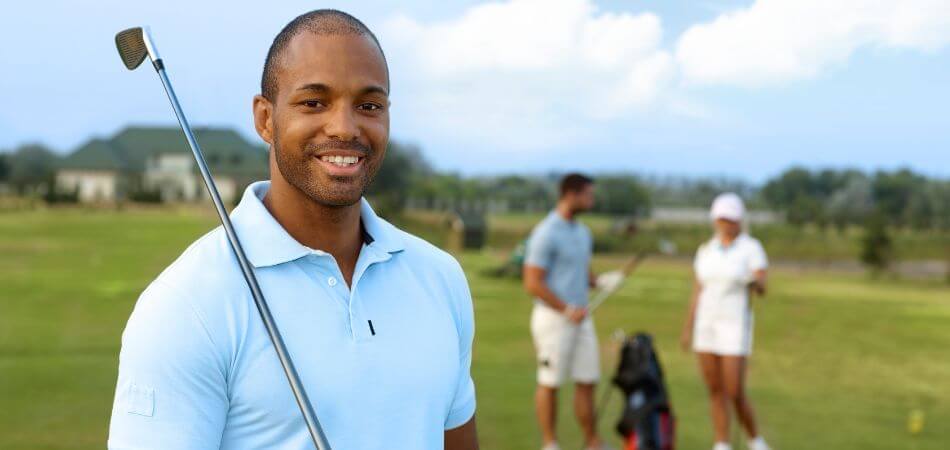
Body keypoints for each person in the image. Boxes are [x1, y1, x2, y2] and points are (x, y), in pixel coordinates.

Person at [108, 10, 478, 449]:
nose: (345, 127)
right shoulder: (185, 305)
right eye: (314, 102)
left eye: (369, 105)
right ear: (266, 119)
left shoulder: (441, 278)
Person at [523, 174, 618, 450]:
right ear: (571, 194)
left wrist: (602, 281)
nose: (592, 200)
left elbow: (581, 274)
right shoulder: (546, 232)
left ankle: (592, 441)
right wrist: (565, 309)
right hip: (554, 319)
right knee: (550, 382)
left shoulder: (582, 232)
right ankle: (550, 443)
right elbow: (532, 282)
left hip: (582, 318)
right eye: (588, 195)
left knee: (587, 380)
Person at [680, 193, 771, 450]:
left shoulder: (750, 247)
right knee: (714, 389)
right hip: (706, 325)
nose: (726, 224)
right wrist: (688, 327)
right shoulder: (706, 250)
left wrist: (754, 281)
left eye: (730, 220)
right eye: (721, 219)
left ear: (739, 220)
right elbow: (698, 290)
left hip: (734, 325)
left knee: (734, 390)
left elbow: (763, 285)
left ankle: (755, 439)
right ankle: (721, 442)